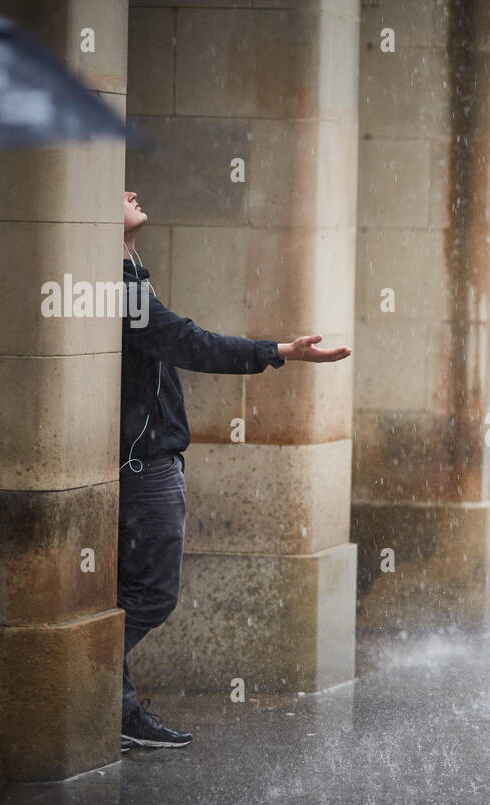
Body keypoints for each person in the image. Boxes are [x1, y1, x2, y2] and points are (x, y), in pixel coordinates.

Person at [118, 190, 352, 751]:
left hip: (151, 457)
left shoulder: (130, 272)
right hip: (144, 465)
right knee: (151, 596)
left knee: (131, 592)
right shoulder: (120, 289)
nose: (132, 191)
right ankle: (86, 684)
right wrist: (280, 351)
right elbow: (189, 343)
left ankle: (116, 709)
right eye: (117, 190)